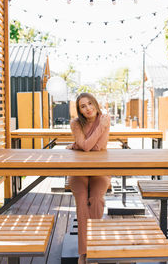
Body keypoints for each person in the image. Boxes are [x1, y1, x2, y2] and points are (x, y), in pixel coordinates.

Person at [67, 93, 111, 264]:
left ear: (95, 104)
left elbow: (98, 146)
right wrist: (82, 144)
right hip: (78, 170)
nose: (88, 108)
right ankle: (84, 251)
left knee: (96, 199)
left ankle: (95, 247)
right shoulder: (75, 123)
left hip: (100, 168)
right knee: (82, 201)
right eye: (83, 106)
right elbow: (87, 148)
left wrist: (78, 145)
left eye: (90, 104)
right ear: (79, 110)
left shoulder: (105, 118)